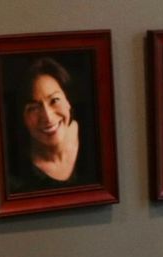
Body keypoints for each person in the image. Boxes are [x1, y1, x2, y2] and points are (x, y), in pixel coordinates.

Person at [10, 58, 98, 193]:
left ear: (68, 101)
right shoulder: (14, 178)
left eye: (54, 100)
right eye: (33, 108)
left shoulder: (97, 139)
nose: (48, 117)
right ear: (22, 117)